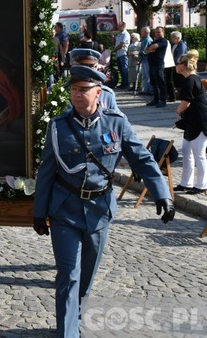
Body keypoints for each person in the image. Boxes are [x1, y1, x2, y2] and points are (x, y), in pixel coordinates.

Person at [33, 65, 175, 338]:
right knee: (68, 275)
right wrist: (39, 212)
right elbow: (47, 171)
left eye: (83, 90)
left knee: (86, 277)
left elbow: (142, 160)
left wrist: (163, 194)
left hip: (99, 212)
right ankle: (68, 333)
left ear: (98, 93)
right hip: (65, 211)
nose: (77, 94)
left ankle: (75, 318)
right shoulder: (58, 127)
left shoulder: (116, 123)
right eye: (74, 89)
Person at [174, 50, 207, 194]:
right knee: (187, 151)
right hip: (192, 121)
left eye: (178, 63)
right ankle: (186, 183)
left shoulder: (191, 80)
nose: (175, 66)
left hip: (199, 121)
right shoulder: (190, 79)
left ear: (183, 65)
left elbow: (185, 102)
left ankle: (202, 185)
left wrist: (178, 111)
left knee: (199, 153)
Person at [145, 26, 168, 107]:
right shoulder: (155, 41)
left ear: (163, 32)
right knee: (153, 83)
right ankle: (155, 100)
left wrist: (151, 48)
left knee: (160, 83)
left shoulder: (163, 41)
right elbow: (146, 50)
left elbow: (153, 47)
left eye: (159, 32)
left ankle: (163, 101)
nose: (157, 34)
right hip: (152, 65)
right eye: (156, 32)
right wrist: (151, 49)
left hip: (158, 65)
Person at [166, 31, 187, 102]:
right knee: (176, 80)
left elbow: (179, 56)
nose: (171, 39)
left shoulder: (182, 45)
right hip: (174, 65)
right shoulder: (174, 45)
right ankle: (178, 95)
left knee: (180, 81)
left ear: (177, 38)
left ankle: (181, 95)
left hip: (179, 65)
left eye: (172, 37)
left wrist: (172, 62)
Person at [113, 22, 130, 89]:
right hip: (119, 54)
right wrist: (112, 36)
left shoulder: (125, 34)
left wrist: (115, 50)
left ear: (123, 26)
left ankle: (126, 84)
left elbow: (122, 44)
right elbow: (115, 42)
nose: (117, 27)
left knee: (124, 70)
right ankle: (123, 84)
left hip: (123, 54)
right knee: (121, 70)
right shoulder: (119, 34)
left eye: (119, 26)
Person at [138, 27, 153, 95]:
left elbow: (145, 50)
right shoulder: (144, 39)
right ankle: (145, 89)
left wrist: (140, 54)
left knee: (148, 75)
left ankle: (150, 90)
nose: (141, 33)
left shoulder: (147, 39)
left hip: (147, 59)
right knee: (144, 75)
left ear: (146, 32)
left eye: (142, 32)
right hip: (144, 59)